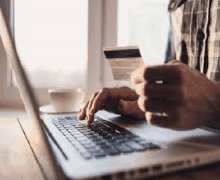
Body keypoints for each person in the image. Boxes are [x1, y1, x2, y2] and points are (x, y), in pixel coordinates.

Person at [78, 0, 220, 130]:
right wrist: (143, 100)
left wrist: (215, 101)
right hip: (186, 144)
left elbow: (204, 96)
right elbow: (177, 86)